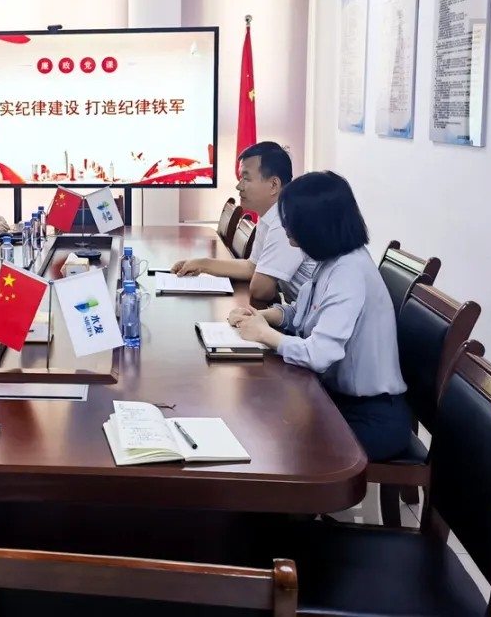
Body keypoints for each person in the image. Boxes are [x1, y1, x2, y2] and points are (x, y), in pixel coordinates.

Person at [228, 171, 411, 462]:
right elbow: (301, 313)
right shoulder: (332, 260)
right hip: (338, 398)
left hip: (370, 416)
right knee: (259, 422)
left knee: (276, 449)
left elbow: (319, 354)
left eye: (291, 218)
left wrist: (264, 334)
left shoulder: (349, 272)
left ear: (315, 223)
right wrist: (262, 316)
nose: (284, 225)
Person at [172, 142, 315, 302]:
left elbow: (261, 290)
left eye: (246, 178)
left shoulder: (285, 221)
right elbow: (252, 267)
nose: (238, 186)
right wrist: (201, 264)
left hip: (314, 315)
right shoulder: (270, 214)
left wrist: (269, 288)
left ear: (274, 185)